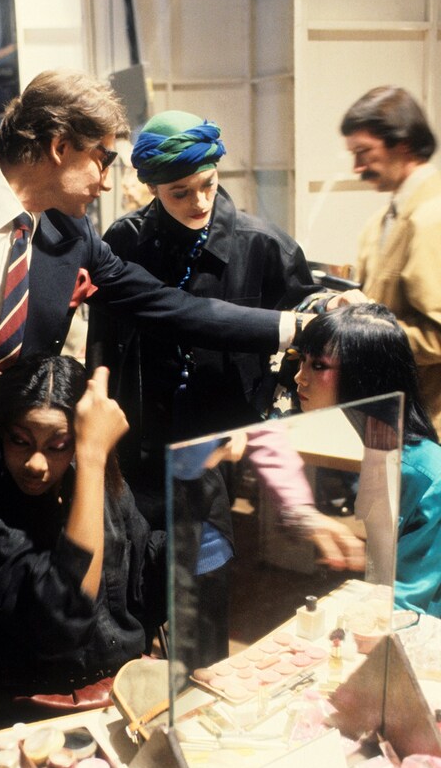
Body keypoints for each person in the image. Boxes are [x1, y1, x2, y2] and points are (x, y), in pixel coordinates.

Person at [0, 69, 305, 750]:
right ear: (56, 145)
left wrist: (291, 329)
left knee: (13, 641)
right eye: (103, 158)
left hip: (11, 478)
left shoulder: (67, 239)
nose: (110, 178)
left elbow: (169, 307)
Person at [87, 109, 350, 529]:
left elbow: (304, 337)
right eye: (180, 192)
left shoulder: (265, 245)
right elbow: (102, 341)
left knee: (208, 565)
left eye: (208, 184)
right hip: (140, 434)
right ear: (151, 188)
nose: (200, 202)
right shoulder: (124, 240)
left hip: (229, 440)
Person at [0, 355, 166, 727]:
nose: (36, 463)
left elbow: (142, 588)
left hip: (129, 690)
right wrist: (93, 458)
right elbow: (65, 617)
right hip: (38, 712)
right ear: (1, 432)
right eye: (21, 441)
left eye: (57, 445)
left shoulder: (103, 485)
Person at [294, 302, 441, 615]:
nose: (299, 377)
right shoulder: (370, 447)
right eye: (301, 361)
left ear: (364, 375)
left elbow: (406, 600)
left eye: (317, 366)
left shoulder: (427, 478)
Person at [340, 86, 441, 437]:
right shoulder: (386, 217)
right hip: (393, 423)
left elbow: (438, 335)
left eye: (364, 153)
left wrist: (359, 342)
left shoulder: (431, 218)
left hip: (427, 427)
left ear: (403, 144)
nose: (357, 168)